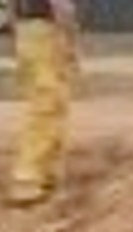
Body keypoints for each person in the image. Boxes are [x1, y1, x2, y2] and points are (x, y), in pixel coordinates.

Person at [6, 0, 78, 209]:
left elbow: (9, 6)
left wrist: (15, 35)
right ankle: (28, 177)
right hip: (46, 31)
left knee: (51, 103)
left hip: (26, 30)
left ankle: (48, 173)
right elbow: (62, 6)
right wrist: (71, 42)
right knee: (46, 107)